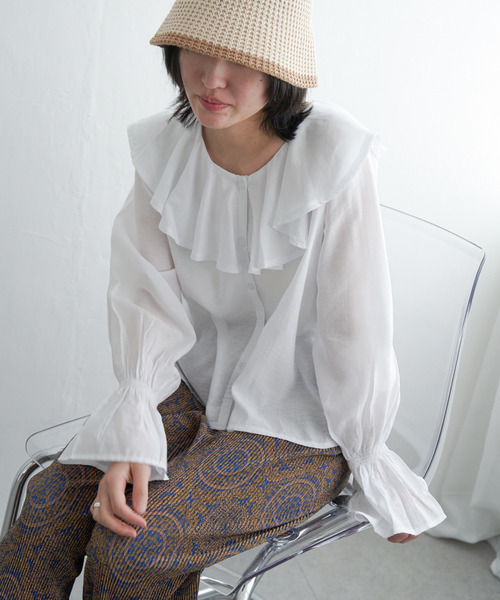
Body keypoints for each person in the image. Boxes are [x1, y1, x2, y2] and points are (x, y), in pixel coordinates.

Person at [0, 0, 446, 598]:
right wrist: (135, 427)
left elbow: (355, 324)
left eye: (241, 61)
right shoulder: (164, 148)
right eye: (199, 52)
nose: (212, 79)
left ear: (280, 71)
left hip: (303, 421)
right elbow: (144, 295)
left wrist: (370, 457)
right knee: (49, 502)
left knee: (132, 548)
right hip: (191, 383)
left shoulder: (334, 154)